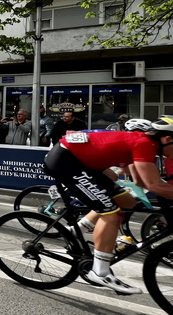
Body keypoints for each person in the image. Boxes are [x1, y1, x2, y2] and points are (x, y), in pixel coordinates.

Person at [44, 116, 173, 294]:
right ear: (167, 139)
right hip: (66, 161)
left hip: (84, 163)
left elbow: (140, 181)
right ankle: (99, 271)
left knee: (128, 202)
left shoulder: (146, 144)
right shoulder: (145, 144)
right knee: (111, 215)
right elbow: (154, 185)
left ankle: (76, 232)